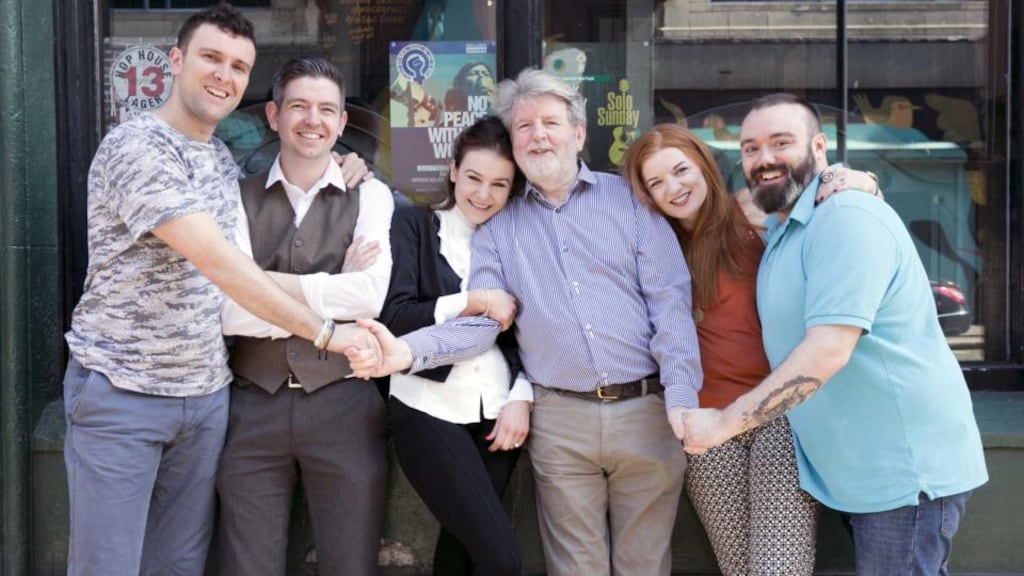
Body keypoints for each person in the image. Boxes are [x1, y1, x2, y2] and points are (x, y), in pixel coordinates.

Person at [349, 68, 703, 576]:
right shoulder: (499, 227)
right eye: (524, 126)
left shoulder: (631, 200)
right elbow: (483, 322)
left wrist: (682, 399)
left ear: (578, 134)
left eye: (551, 123)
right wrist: (404, 353)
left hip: (647, 411)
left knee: (644, 563)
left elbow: (670, 305)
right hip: (560, 421)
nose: (538, 134)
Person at [61, 6, 376, 575]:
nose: (223, 75)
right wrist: (327, 332)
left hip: (205, 400)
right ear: (176, 61)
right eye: (211, 58)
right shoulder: (138, 147)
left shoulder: (219, 162)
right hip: (125, 392)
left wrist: (346, 167)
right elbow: (222, 265)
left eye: (238, 66)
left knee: (179, 566)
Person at [676, 93, 988, 575]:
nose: (765, 159)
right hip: (854, 471)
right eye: (751, 148)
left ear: (819, 147)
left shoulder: (845, 218)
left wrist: (721, 425)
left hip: (902, 471)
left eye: (781, 143)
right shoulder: (786, 224)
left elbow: (826, 352)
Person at [622, 124, 880, 575]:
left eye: (681, 171)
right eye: (656, 182)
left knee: (777, 566)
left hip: (777, 413)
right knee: (739, 567)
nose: (673, 188)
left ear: (703, 165)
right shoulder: (649, 243)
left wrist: (860, 180)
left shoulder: (757, 215)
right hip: (703, 422)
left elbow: (828, 200)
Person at [216, 57, 394, 576]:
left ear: (341, 123)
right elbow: (228, 311)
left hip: (344, 405)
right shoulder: (234, 196)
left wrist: (256, 284)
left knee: (350, 564)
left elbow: (369, 297)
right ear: (273, 115)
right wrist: (330, 291)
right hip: (251, 404)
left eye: (325, 109)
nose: (311, 120)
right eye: (298, 106)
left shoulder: (372, 195)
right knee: (247, 566)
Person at [380, 115, 530, 576]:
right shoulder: (414, 226)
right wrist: (475, 301)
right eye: (473, 178)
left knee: (460, 553)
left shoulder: (519, 243)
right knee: (499, 557)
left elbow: (540, 337)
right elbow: (397, 317)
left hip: (499, 414)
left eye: (499, 184)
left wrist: (521, 399)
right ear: (452, 171)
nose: (483, 195)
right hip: (427, 407)